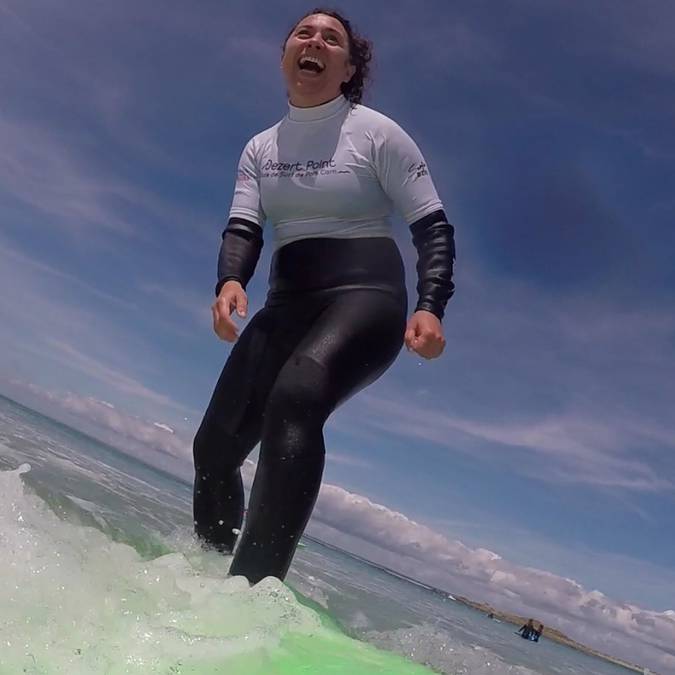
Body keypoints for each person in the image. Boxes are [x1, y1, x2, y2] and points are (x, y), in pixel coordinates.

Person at [192, 7, 456, 585]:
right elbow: (243, 226)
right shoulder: (260, 148)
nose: (315, 42)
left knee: (298, 395)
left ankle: (254, 593)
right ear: (285, 55)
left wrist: (430, 305)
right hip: (288, 302)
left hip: (366, 295)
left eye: (331, 39)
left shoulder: (377, 133)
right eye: (303, 33)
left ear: (348, 67)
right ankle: (207, 578)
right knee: (214, 446)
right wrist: (230, 280)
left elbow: (432, 225)